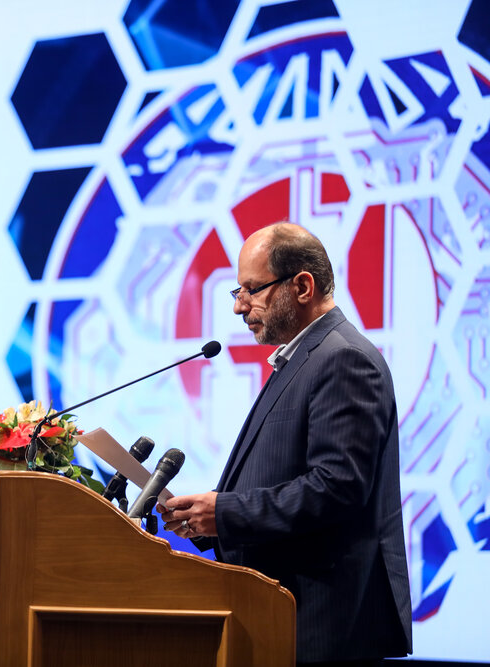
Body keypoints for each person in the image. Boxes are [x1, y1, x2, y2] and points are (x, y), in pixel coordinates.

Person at [158, 223, 412, 665]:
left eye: (252, 289)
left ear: (302, 286)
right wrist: (208, 520)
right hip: (281, 615)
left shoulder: (344, 359)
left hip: (322, 625)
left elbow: (337, 487)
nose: (239, 306)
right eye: (237, 291)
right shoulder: (303, 359)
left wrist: (226, 513)